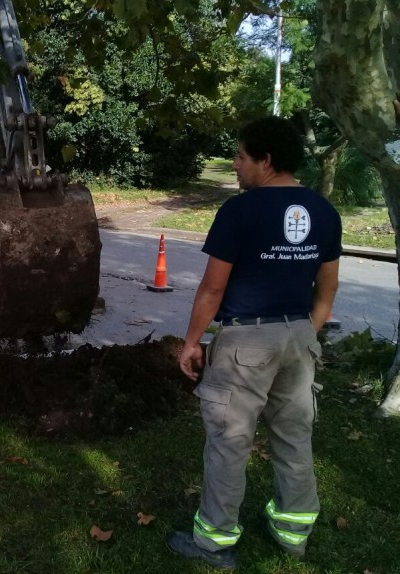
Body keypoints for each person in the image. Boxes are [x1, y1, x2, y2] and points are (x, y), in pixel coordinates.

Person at [166, 116, 342, 570]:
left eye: (241, 156)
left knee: (230, 441)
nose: (235, 164)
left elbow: (212, 289)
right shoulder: (324, 212)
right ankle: (292, 533)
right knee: (294, 436)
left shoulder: (239, 212)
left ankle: (215, 540)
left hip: (246, 341)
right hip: (299, 335)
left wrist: (192, 341)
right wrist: (305, 336)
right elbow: (327, 290)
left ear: (266, 160)